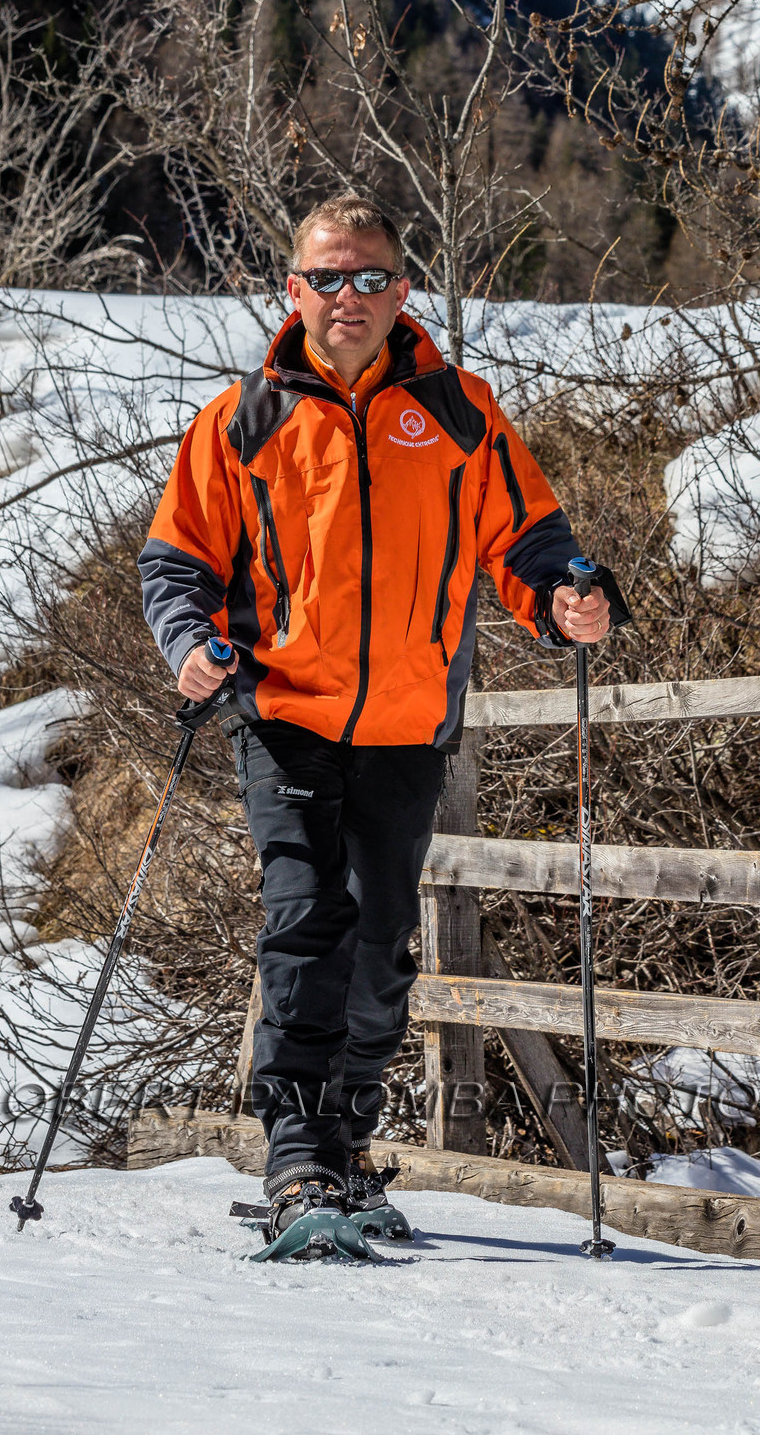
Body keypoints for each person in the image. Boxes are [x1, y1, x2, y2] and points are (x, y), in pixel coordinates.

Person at [140, 191, 623, 1245]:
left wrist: (568, 598)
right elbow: (178, 560)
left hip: (409, 721)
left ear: (402, 288)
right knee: (304, 918)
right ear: (292, 287)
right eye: (326, 275)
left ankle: (351, 1144)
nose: (346, 295)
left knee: (381, 947)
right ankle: (298, 1155)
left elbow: (531, 540)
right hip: (283, 711)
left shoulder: (457, 410)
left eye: (368, 276)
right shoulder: (243, 419)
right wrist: (190, 646)